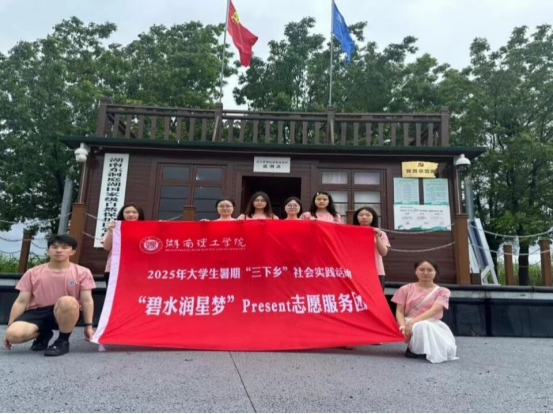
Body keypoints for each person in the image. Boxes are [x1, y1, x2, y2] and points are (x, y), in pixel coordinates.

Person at [2, 235, 96, 357]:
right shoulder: (32, 272)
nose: (59, 250)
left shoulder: (83, 272)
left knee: (67, 301)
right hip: (38, 312)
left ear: (72, 251)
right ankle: (44, 333)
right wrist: (11, 325)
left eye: (64, 247)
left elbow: (87, 300)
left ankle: (62, 341)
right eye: (55, 247)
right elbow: (21, 301)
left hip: (66, 311)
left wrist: (89, 326)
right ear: (48, 250)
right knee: (13, 335)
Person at [392, 259, 458, 363]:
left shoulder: (443, 291)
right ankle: (413, 348)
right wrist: (402, 326)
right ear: (416, 271)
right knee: (421, 325)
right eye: (421, 270)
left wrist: (412, 322)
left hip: (431, 322)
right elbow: (399, 311)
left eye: (430, 270)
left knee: (424, 325)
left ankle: (423, 349)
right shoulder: (405, 289)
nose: (425, 273)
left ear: (435, 272)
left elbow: (434, 310)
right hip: (408, 320)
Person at [102, 203, 145, 282]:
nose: (131, 214)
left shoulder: (146, 229)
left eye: (134, 212)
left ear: (140, 214)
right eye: (127, 212)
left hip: (139, 269)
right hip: (115, 269)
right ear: (122, 214)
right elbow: (107, 247)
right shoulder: (115, 228)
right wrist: (111, 231)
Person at [352, 207, 390, 289]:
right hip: (355, 270)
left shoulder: (381, 233)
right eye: (361, 215)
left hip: (376, 270)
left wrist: (377, 237)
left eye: (368, 215)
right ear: (356, 217)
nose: (364, 217)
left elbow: (383, 253)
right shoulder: (351, 232)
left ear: (373, 217)